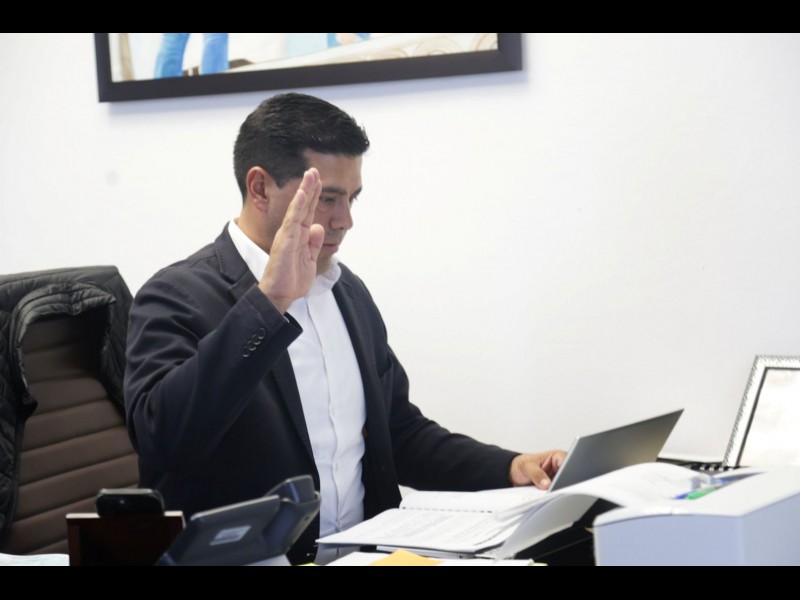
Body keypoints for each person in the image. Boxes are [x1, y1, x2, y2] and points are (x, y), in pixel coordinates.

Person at [124, 93, 565, 564]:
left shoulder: (343, 290)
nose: (345, 220)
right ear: (260, 188)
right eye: (328, 199)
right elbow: (163, 440)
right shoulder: (175, 295)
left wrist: (509, 467)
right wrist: (269, 303)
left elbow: (398, 432)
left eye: (351, 199)